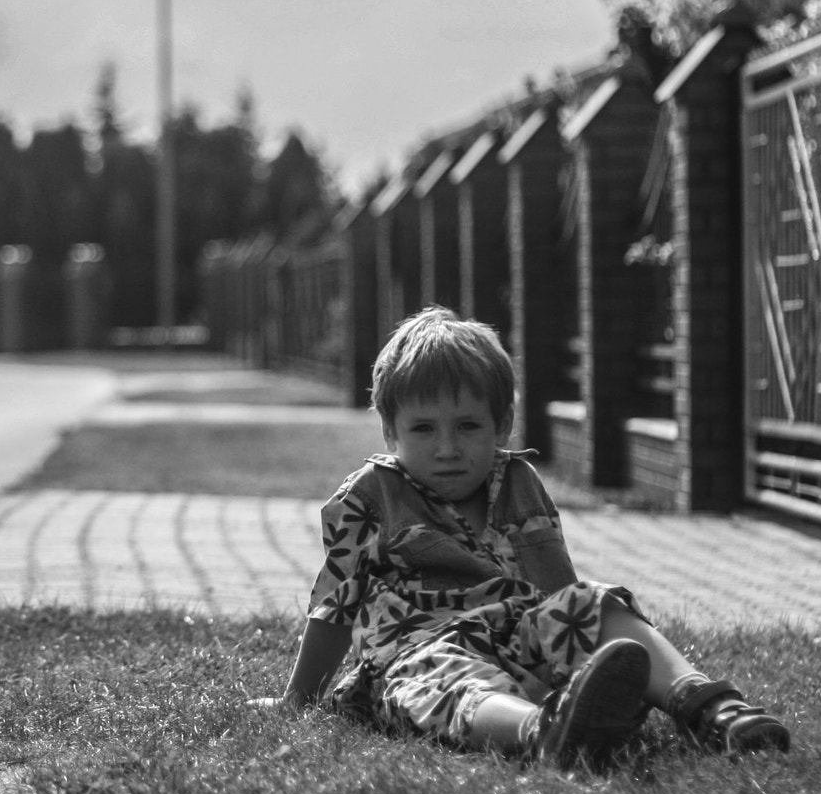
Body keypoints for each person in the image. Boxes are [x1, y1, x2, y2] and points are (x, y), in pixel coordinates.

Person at [258, 306, 790, 765]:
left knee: (595, 602)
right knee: (439, 679)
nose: (447, 448)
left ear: (503, 422)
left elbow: (558, 587)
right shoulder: (370, 495)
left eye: (468, 426)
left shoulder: (516, 481)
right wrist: (298, 699)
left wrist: (582, 637)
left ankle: (710, 706)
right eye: (424, 429)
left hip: (518, 634)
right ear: (390, 431)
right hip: (420, 647)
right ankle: (544, 732)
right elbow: (335, 607)